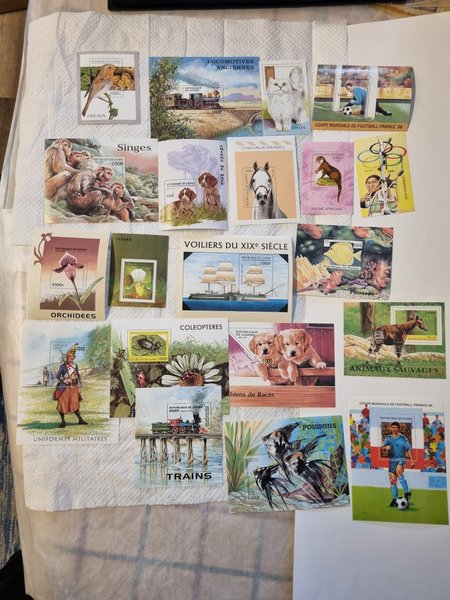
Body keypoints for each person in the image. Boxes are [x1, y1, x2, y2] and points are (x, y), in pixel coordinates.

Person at [53, 344, 88, 428]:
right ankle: (63, 422)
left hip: (74, 387)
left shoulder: (75, 365)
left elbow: (78, 375)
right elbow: (58, 376)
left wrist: (79, 383)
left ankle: (80, 420)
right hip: (64, 388)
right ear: (67, 358)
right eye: (70, 358)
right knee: (62, 404)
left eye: (73, 358)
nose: (72, 359)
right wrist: (65, 380)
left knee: (74, 403)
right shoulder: (62, 367)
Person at [382, 421, 414, 507]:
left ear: (398, 428)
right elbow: (382, 448)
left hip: (401, 459)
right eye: (392, 427)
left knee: (399, 472)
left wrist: (412, 461)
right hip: (392, 461)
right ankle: (395, 499)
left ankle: (407, 491)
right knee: (393, 481)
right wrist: (385, 447)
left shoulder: (403, 439)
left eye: (395, 427)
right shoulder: (388, 438)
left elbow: (409, 449)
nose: (393, 429)